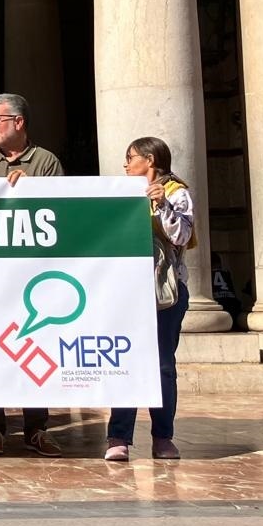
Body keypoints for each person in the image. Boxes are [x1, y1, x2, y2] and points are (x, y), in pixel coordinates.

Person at [0, 92, 63, 457]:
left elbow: (61, 209)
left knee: (33, 351)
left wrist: (34, 189)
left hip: (32, 277)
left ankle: (36, 427)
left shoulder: (46, 161)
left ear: (19, 122)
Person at [105, 136, 193, 462]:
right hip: (127, 291)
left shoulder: (176, 192)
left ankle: (162, 437)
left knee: (162, 366)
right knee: (123, 361)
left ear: (150, 160)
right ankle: (118, 436)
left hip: (163, 295)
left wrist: (163, 206)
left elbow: (182, 235)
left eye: (131, 158)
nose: (126, 165)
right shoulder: (123, 191)